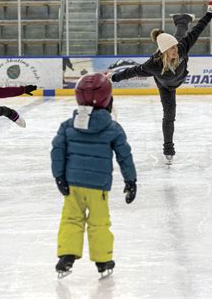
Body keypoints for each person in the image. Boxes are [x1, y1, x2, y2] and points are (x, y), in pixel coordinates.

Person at [109, 0, 212, 163]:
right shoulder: (153, 64)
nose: (176, 50)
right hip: (166, 87)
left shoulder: (181, 48)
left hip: (178, 77)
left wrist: (210, 12)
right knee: (169, 115)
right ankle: (168, 148)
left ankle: (182, 19)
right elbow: (132, 71)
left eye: (175, 48)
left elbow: (198, 30)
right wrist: (113, 77)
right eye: (172, 49)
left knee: (181, 37)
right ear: (164, 51)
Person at [51, 72, 137, 279]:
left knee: (71, 219)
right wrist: (130, 181)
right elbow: (124, 156)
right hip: (98, 186)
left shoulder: (68, 125)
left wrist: (59, 177)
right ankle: (103, 260)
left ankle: (66, 257)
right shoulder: (113, 128)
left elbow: (57, 151)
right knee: (99, 223)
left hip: (73, 185)